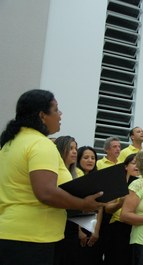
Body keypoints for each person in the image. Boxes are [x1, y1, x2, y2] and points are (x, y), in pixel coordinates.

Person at [0, 89, 103, 265]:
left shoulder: (10, 143)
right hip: (31, 238)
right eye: (56, 110)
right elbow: (46, 192)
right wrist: (83, 204)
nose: (60, 114)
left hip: (11, 232)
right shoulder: (40, 144)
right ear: (42, 115)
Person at [105, 153, 139, 265]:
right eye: (134, 163)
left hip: (138, 228)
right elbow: (108, 209)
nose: (137, 166)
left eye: (140, 164)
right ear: (125, 166)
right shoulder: (117, 183)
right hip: (119, 226)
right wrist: (120, 203)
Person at [53, 136, 81, 265]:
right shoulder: (53, 172)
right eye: (70, 148)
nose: (75, 151)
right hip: (54, 222)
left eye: (76, 148)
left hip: (71, 224)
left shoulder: (76, 173)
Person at [76, 146, 104, 265]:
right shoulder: (74, 177)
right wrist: (79, 231)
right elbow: (72, 206)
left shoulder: (98, 180)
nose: (90, 160)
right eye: (86, 157)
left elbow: (100, 206)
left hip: (93, 227)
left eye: (93, 158)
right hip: (75, 228)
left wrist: (96, 231)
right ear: (78, 160)